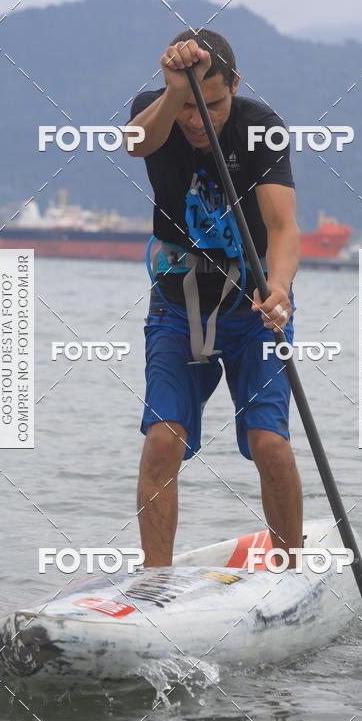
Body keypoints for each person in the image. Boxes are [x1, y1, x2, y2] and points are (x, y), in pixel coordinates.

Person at [125, 28, 302, 567]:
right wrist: (176, 91)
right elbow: (135, 144)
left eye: (215, 104)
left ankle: (292, 570)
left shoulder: (262, 126)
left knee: (270, 444)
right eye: (189, 107)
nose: (200, 120)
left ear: (236, 84)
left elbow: (283, 226)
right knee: (163, 440)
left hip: (253, 310)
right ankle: (155, 584)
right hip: (178, 309)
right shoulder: (155, 112)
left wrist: (280, 288)